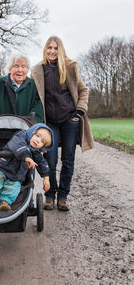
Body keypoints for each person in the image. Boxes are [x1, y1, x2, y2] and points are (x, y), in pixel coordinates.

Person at [31, 36, 94, 211]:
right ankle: (50, 196)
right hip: (49, 123)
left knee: (68, 160)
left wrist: (79, 111)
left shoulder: (70, 67)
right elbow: (33, 96)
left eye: (55, 48)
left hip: (69, 120)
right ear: (45, 49)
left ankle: (63, 197)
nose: (52, 51)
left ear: (61, 50)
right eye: (49, 48)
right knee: (49, 159)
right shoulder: (38, 70)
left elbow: (83, 90)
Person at [0, 123, 53, 211]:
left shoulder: (35, 151)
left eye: (42, 142)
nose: (38, 141)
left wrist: (46, 177)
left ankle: (3, 204)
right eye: (37, 136)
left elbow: (42, 162)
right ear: (32, 132)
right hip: (1, 168)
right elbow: (17, 146)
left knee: (13, 188)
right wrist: (26, 157)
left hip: (16, 175)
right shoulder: (21, 136)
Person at [0, 53, 44, 123]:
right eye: (16, 66)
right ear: (10, 69)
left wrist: (27, 123)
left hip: (27, 129)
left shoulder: (34, 86)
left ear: (27, 70)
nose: (20, 70)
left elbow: (38, 112)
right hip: (0, 129)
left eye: (23, 66)